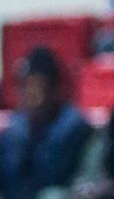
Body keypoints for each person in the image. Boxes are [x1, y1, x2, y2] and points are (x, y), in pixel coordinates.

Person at [0, 46, 94, 199]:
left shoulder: (75, 127)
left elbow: (55, 176)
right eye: (26, 87)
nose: (31, 96)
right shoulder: (14, 130)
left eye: (38, 87)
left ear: (54, 90)